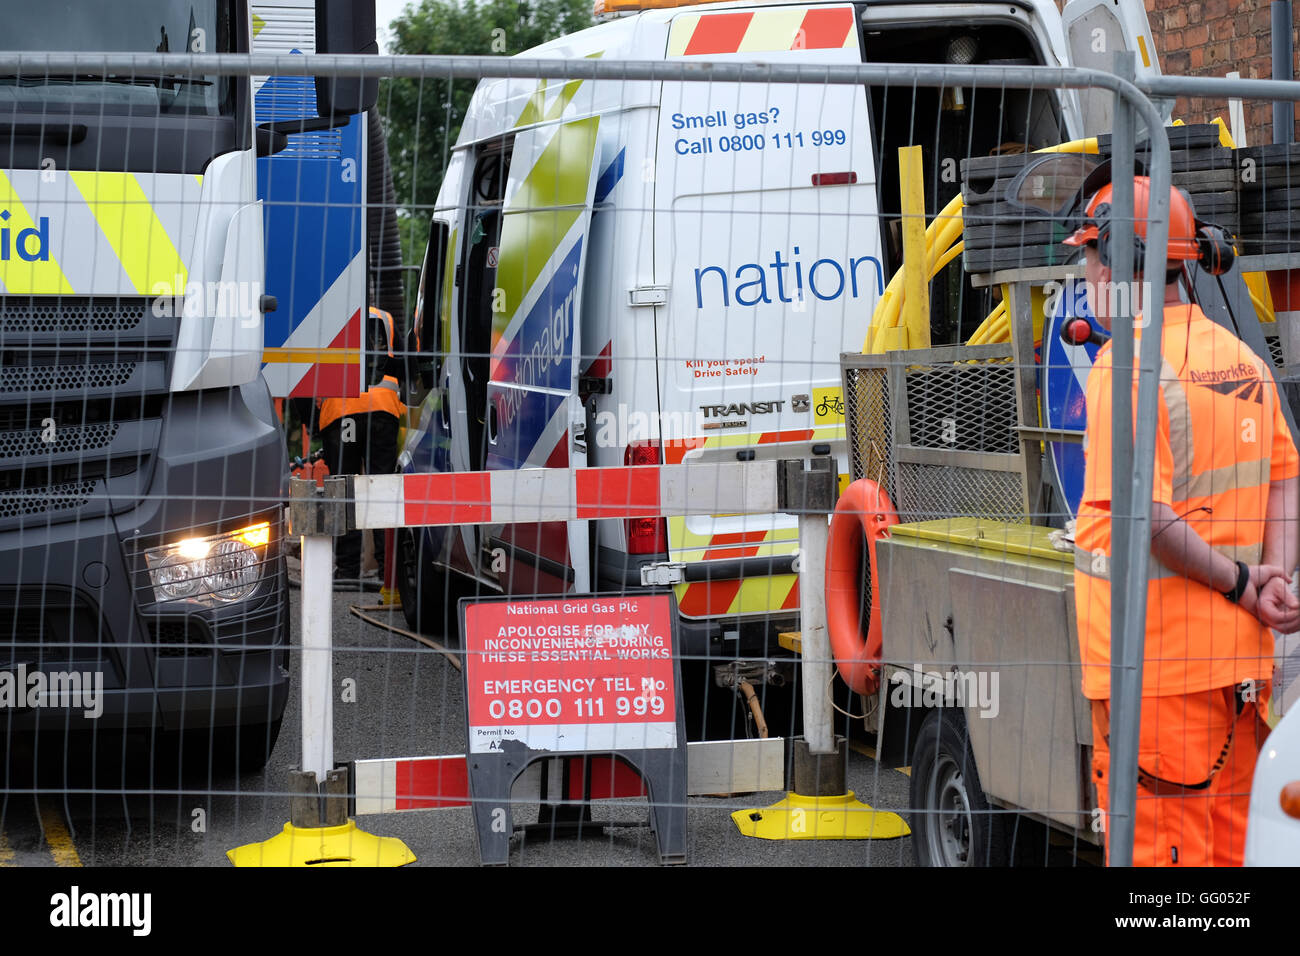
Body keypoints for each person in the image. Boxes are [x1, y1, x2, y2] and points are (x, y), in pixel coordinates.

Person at [1066, 175, 1300, 866]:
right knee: (1230, 863)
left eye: (1089, 257)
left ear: (1118, 257)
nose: (1086, 275)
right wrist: (1275, 578)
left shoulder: (1125, 370)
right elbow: (1286, 477)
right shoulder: (1242, 361)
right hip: (1237, 676)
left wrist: (1238, 581)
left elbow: (1147, 519)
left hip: (1155, 677)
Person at [317, 305, 406, 586]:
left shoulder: (327, 318)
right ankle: (387, 571)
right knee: (381, 488)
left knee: (344, 490)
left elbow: (306, 373)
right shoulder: (385, 318)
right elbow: (403, 364)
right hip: (383, 410)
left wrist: (312, 419)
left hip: (341, 412)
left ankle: (346, 571)